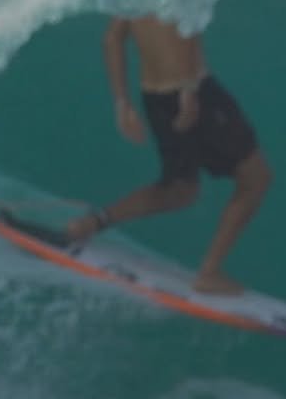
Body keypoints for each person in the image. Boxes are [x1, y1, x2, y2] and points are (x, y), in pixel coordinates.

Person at [65, 15, 272, 295]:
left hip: (154, 98)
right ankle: (209, 272)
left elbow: (111, 38)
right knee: (256, 179)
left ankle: (92, 223)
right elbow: (187, 21)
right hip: (194, 92)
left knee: (179, 189)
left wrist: (121, 103)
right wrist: (188, 89)